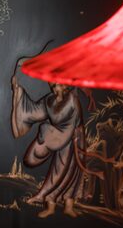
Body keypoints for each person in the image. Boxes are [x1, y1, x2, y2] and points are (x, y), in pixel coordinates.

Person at [11, 75, 86, 218]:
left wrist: (76, 136)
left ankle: (69, 206)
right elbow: (32, 111)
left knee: (73, 174)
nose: (54, 85)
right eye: (53, 83)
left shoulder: (72, 98)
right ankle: (50, 204)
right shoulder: (49, 100)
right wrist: (18, 90)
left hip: (73, 140)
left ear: (64, 84)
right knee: (57, 171)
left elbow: (78, 119)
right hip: (57, 140)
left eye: (57, 83)